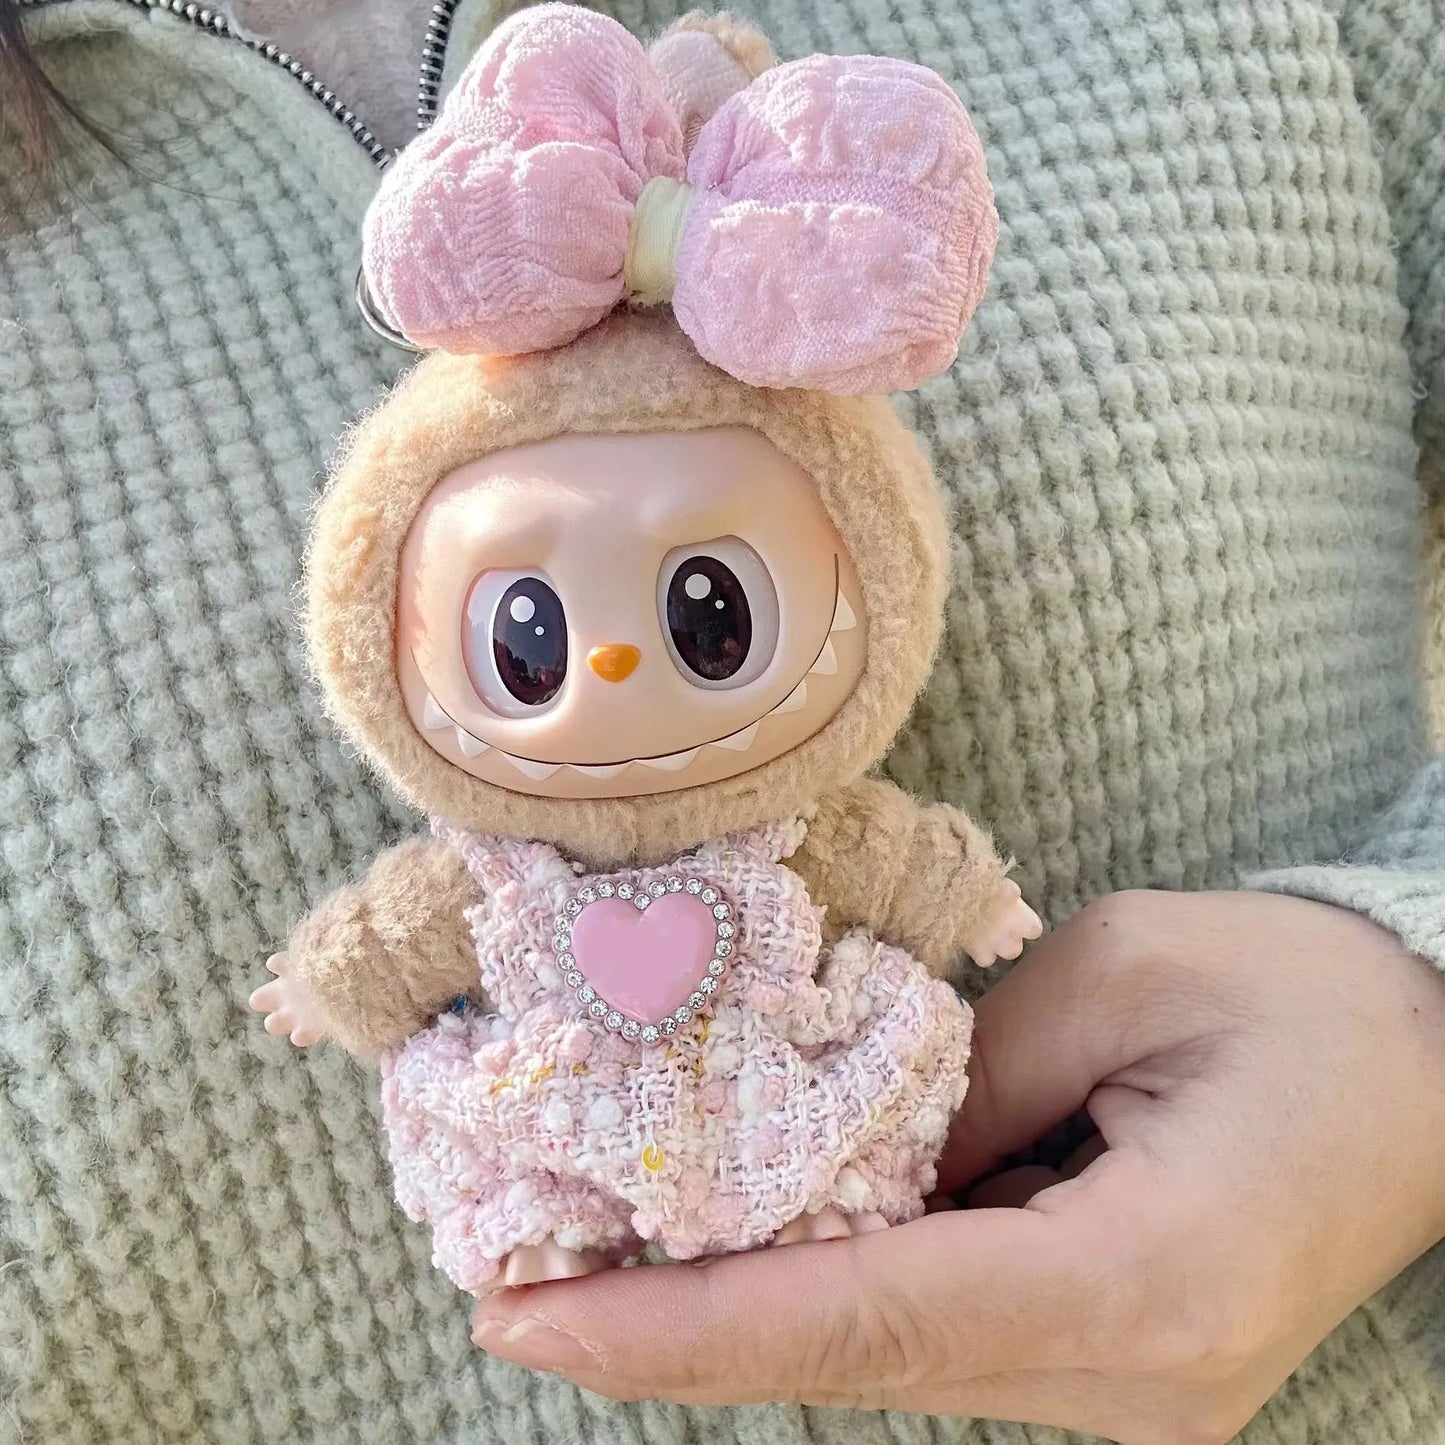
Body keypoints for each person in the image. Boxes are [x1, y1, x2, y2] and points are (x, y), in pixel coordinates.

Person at [0, 2, 1441, 1443]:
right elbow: (402, 928)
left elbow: (893, 859)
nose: (613, 666)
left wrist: (1418, 1002)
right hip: (544, 1104)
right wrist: (337, 981)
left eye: (703, 615)